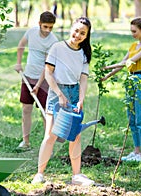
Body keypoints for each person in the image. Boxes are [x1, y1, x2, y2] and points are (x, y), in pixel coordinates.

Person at [31, 17, 95, 186]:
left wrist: (81, 100)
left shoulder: (84, 53)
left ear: (86, 36)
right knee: (51, 134)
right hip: (56, 92)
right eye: (76, 30)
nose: (78, 35)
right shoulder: (57, 48)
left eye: (83, 33)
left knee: (75, 135)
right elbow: (48, 74)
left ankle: (77, 175)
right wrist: (59, 94)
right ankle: (39, 173)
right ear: (71, 28)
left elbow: (83, 79)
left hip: (74, 93)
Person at [101, 16, 141, 162]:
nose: (133, 34)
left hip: (139, 81)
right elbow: (122, 63)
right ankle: (136, 151)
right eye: (131, 31)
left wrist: (108, 66)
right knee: (131, 118)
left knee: (140, 118)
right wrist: (107, 75)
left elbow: (131, 61)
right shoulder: (132, 46)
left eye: (135, 31)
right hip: (129, 80)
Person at [14, 11, 58, 150]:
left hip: (44, 79)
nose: (48, 30)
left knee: (45, 112)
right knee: (26, 109)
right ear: (39, 24)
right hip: (28, 75)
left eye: (50, 27)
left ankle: (47, 144)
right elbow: (21, 45)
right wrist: (18, 63)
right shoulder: (31, 32)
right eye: (45, 27)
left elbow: (47, 66)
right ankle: (25, 142)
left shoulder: (53, 41)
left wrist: (38, 85)